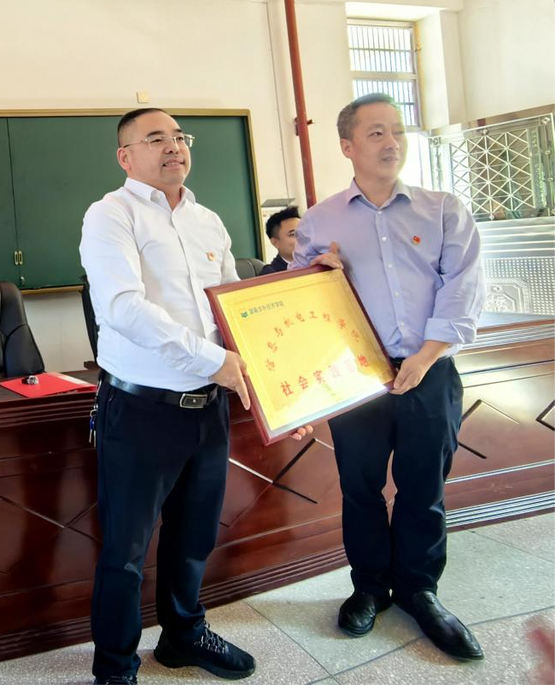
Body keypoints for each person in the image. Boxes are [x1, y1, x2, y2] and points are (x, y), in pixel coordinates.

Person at [79, 108, 310, 685]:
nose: (173, 146)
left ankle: (182, 637)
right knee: (126, 551)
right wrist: (215, 361)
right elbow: (122, 308)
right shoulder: (110, 214)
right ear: (125, 156)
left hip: (207, 408)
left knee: (193, 537)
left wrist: (277, 393)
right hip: (140, 409)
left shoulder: (208, 221)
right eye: (155, 138)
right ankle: (115, 667)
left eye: (180, 137)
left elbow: (232, 313)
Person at [291, 93, 485, 661]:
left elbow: (463, 287)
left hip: (431, 372)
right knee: (361, 489)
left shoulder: (443, 208)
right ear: (347, 146)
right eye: (376, 132)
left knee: (424, 490)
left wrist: (423, 358)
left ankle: (421, 592)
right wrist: (318, 274)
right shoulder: (321, 219)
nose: (392, 142)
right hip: (356, 380)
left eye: (397, 130)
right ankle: (370, 588)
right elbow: (297, 299)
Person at [260, 206, 300, 274]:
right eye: (293, 234)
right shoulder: (271, 274)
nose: (302, 238)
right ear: (275, 242)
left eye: (304, 232)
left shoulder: (317, 262)